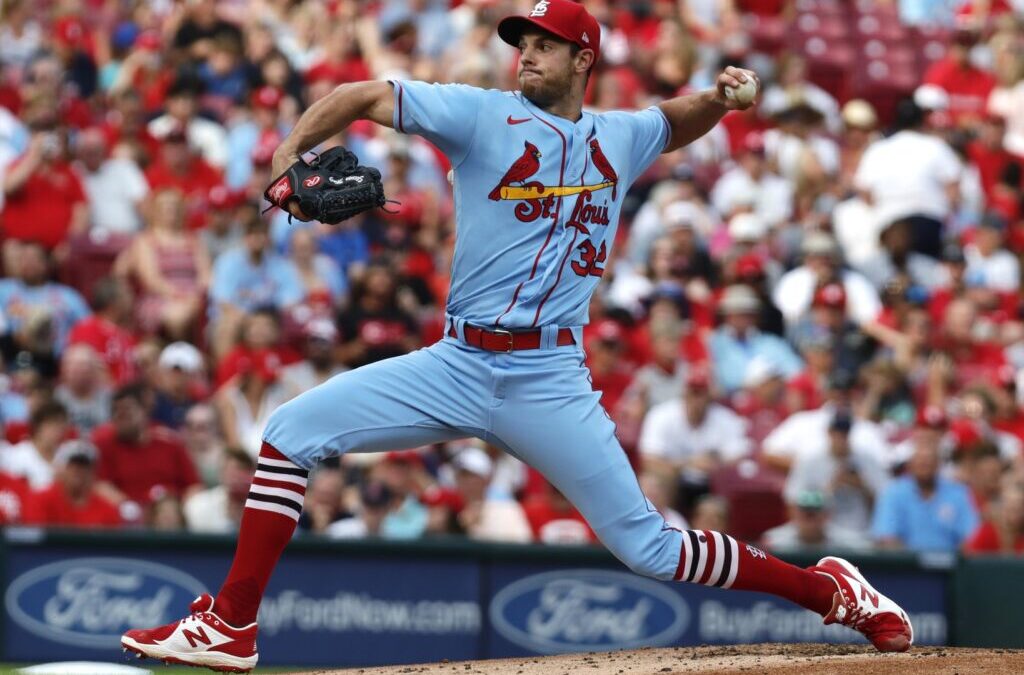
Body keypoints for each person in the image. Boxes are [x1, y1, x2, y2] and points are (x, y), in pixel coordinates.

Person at [123, 3, 913, 669]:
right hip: (459, 360)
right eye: (522, 44)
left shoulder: (620, 134)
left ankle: (831, 589)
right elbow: (362, 92)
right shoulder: (479, 113)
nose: (526, 56)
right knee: (289, 431)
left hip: (549, 378)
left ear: (583, 59)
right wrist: (290, 153)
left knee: (651, 549)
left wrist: (719, 97)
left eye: (543, 45)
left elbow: (673, 124)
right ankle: (231, 623)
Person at [872, 430, 980, 553]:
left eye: (929, 462)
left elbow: (970, 537)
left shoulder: (958, 493)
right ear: (910, 465)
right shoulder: (893, 493)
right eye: (920, 462)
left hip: (951, 567)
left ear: (938, 464)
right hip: (905, 567)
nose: (925, 466)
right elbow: (886, 537)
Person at [24, 439, 121, 528]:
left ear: (93, 472)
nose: (78, 471)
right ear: (60, 469)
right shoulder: (40, 501)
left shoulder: (107, 509)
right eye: (72, 465)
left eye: (84, 466)